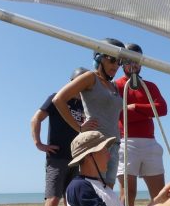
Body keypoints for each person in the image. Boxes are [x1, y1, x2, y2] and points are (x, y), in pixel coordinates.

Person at [53, 38, 124, 188]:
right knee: (96, 191)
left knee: (108, 193)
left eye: (120, 61)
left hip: (115, 144)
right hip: (96, 144)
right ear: (99, 58)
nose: (116, 65)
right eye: (112, 59)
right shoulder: (90, 77)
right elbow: (58, 99)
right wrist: (79, 127)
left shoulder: (114, 86)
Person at [115, 43, 168, 206]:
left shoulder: (150, 86)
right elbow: (120, 115)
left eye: (136, 61)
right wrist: (147, 111)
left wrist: (135, 107)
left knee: (160, 195)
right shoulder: (117, 86)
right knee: (128, 193)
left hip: (150, 143)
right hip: (125, 142)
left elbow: (162, 109)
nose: (133, 65)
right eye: (129, 61)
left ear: (141, 62)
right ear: (122, 62)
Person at [31, 67, 86, 206]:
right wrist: (39, 144)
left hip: (76, 158)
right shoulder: (56, 98)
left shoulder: (84, 105)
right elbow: (36, 119)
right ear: (71, 82)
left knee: (70, 200)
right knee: (53, 198)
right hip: (57, 157)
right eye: (79, 83)